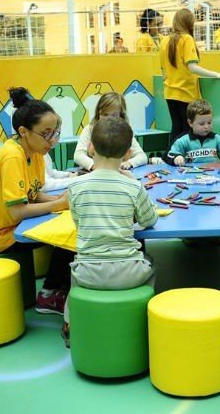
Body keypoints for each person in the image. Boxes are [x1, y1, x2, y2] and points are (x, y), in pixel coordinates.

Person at [61, 116, 158, 347]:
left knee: (74, 275)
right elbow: (149, 219)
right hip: (129, 271)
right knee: (152, 262)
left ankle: (70, 324)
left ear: (91, 147)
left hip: (87, 272)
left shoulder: (74, 186)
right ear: (127, 154)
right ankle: (141, 320)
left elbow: (79, 221)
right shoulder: (133, 186)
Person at [0, 87, 74, 315]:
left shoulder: (36, 153)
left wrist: (60, 199)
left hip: (16, 225)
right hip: (0, 235)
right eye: (46, 133)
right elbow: (17, 212)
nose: (53, 139)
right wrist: (59, 204)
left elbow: (34, 193)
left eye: (56, 132)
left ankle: (59, 288)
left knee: (68, 220)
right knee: (68, 236)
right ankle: (49, 296)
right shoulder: (12, 156)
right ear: (24, 132)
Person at [159, 8, 220, 145]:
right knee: (187, 129)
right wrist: (216, 74)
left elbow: (163, 70)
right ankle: (186, 158)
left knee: (176, 127)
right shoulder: (187, 39)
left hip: (169, 92)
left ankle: (172, 156)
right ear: (188, 23)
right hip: (186, 92)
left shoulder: (164, 41)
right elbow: (192, 67)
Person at [74, 92, 149, 171]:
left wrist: (129, 163)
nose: (109, 119)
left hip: (117, 173)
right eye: (105, 114)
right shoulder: (89, 129)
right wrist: (94, 166)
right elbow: (78, 155)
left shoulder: (125, 131)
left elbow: (142, 156)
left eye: (114, 115)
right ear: (98, 114)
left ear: (121, 115)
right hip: (94, 173)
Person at [166, 99, 220, 167]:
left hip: (213, 176)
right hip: (191, 177)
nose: (206, 126)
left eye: (209, 123)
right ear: (190, 123)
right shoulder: (183, 141)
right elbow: (170, 155)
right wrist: (176, 158)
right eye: (201, 124)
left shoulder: (216, 139)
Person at [41, 115, 76, 192]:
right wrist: (72, 180)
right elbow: (44, 184)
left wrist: (68, 175)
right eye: (56, 133)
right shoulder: (39, 152)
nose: (53, 139)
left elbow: (50, 173)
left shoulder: (44, 153)